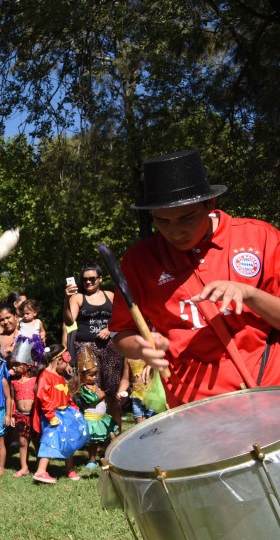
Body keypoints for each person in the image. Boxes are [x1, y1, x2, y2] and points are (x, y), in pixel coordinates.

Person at [110, 149, 280, 404]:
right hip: (194, 411)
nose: (176, 231)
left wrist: (249, 294)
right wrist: (140, 347)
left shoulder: (259, 237)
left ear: (210, 204)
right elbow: (121, 335)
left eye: (187, 217)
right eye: (162, 221)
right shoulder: (139, 261)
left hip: (268, 395)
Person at [64, 263, 125, 428]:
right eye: (84, 280)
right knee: (90, 394)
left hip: (111, 348)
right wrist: (66, 299)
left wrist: (109, 328)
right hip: (86, 348)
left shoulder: (110, 295)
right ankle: (93, 440)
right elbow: (69, 321)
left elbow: (123, 318)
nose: (88, 282)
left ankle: (116, 437)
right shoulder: (78, 297)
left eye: (92, 279)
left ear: (100, 278)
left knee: (113, 393)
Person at [32, 344, 88, 485]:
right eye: (66, 362)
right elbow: (43, 397)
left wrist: (73, 408)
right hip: (53, 415)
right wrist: (51, 416)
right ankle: (41, 471)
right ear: (58, 360)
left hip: (65, 413)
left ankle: (69, 469)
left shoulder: (60, 376)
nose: (68, 365)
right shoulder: (45, 376)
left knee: (68, 440)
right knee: (50, 441)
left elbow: (66, 395)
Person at [70, 346, 118, 469]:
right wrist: (102, 394)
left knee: (107, 438)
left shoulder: (95, 387)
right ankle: (91, 459)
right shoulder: (83, 389)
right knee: (94, 441)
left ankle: (108, 457)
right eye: (91, 375)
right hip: (91, 418)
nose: (95, 377)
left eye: (95, 374)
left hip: (102, 417)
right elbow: (92, 400)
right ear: (82, 376)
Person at [9, 357, 37, 478]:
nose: (14, 367)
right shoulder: (13, 382)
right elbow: (11, 399)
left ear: (27, 365)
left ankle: (41, 466)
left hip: (33, 416)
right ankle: (24, 467)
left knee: (37, 441)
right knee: (22, 441)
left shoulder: (35, 380)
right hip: (21, 416)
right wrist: (11, 415)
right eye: (13, 365)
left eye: (17, 364)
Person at [118, 358, 155, 423]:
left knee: (157, 429)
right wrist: (121, 390)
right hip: (137, 399)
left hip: (154, 399)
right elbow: (125, 379)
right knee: (141, 429)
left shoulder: (155, 354)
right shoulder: (129, 357)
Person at [16, 298, 46, 364]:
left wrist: (43, 335)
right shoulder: (21, 322)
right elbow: (16, 331)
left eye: (27, 313)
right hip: (23, 346)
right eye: (23, 314)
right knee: (23, 363)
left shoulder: (38, 322)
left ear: (35, 313)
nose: (25, 316)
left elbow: (42, 331)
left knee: (35, 362)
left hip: (35, 346)